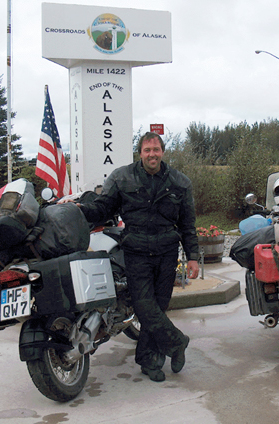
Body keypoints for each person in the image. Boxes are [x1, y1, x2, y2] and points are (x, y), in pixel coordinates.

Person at [66, 132, 199, 382]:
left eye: (156, 150)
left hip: (167, 251)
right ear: (140, 153)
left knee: (157, 308)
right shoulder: (122, 177)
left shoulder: (180, 182)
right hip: (136, 250)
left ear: (162, 152)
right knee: (144, 306)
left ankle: (149, 361)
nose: (152, 154)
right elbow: (103, 207)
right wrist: (81, 211)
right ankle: (177, 342)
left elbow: (188, 224)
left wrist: (192, 256)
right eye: (147, 150)